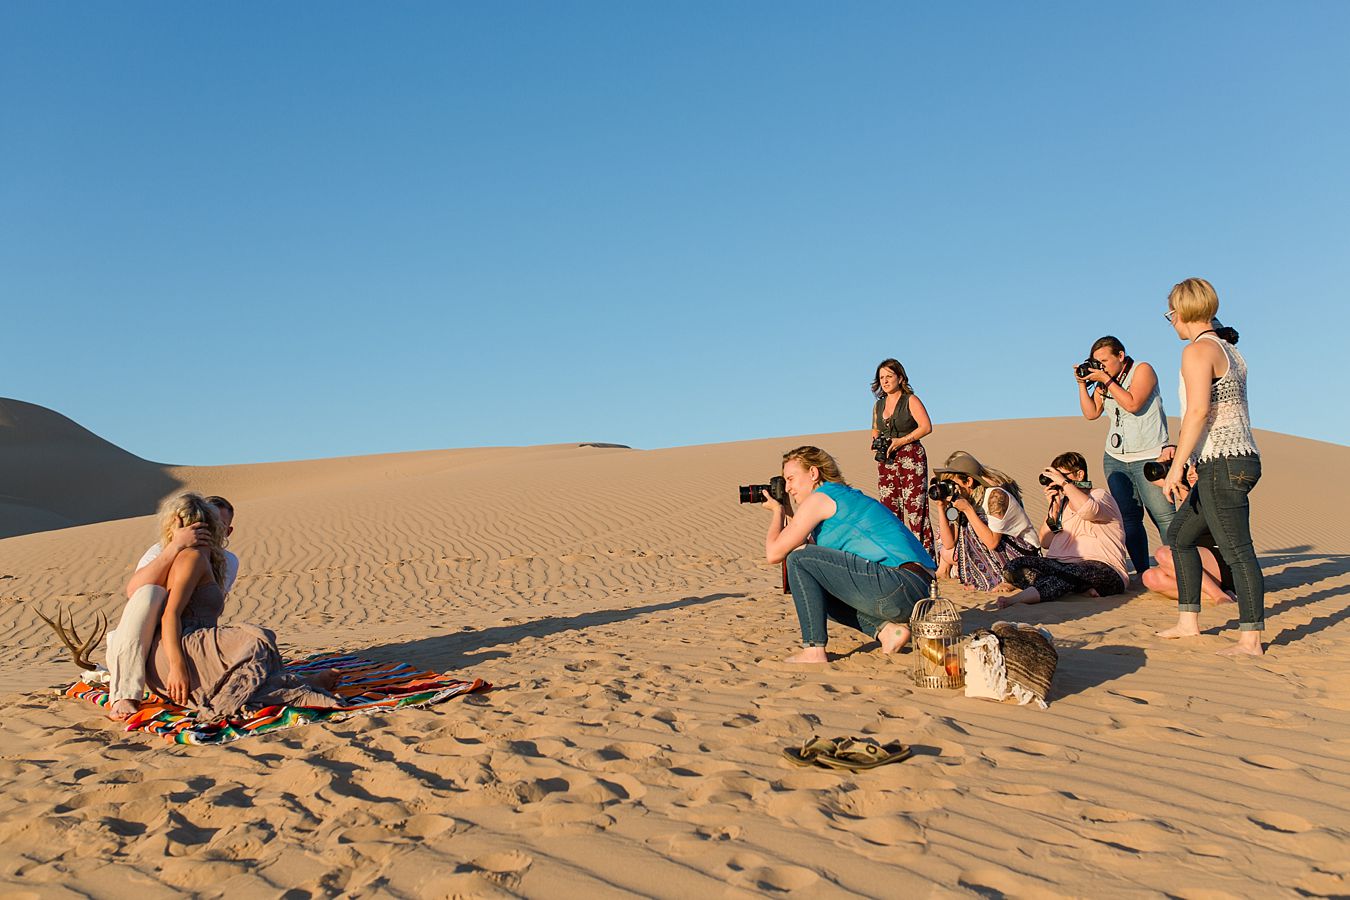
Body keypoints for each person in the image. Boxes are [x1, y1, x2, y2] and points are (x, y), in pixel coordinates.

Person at [1156, 278, 1265, 656]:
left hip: (1224, 463)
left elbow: (1199, 412)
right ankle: (1188, 620)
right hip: (1228, 461)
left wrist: (1176, 466)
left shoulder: (1198, 350)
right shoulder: (1229, 349)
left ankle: (1250, 639)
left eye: (1170, 313)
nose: (1170, 320)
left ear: (1183, 312)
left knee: (1237, 550)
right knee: (1181, 537)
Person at [762, 446, 936, 664]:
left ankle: (814, 651)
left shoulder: (821, 497)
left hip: (900, 584)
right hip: (921, 593)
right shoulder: (842, 497)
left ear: (813, 473)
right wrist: (787, 510)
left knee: (797, 559)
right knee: (815, 588)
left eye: (791, 479)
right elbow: (808, 563)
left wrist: (777, 512)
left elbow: (775, 553)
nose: (788, 488)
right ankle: (888, 632)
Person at [106, 494, 240, 719]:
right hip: (143, 640)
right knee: (151, 592)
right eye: (203, 524)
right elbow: (134, 593)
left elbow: (205, 609)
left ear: (227, 531)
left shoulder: (228, 560)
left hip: (186, 635)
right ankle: (124, 695)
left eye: (218, 526)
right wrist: (176, 547)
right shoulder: (159, 550)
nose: (210, 531)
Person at [1076, 336, 1175, 577]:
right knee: (1129, 518)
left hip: (1151, 456)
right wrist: (1082, 384)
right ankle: (1144, 572)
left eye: (1104, 360)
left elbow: (1133, 404)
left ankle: (1181, 569)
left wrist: (1106, 380)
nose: (1101, 366)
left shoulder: (1142, 370)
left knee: (1163, 515)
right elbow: (1091, 414)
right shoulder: (1104, 382)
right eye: (1095, 362)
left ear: (1120, 356)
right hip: (1116, 458)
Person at [996, 451, 1130, 608]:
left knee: (1071, 573)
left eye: (1061, 476)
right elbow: (1045, 542)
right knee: (1013, 566)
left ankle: (1018, 599)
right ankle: (1071, 588)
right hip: (1062, 565)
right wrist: (1054, 509)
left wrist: (1065, 484)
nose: (1056, 481)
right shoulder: (1063, 504)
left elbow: (1089, 511)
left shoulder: (1099, 496)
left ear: (1079, 475)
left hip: (1105, 568)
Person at [930, 451, 1041, 592]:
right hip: (1001, 556)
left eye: (953, 483)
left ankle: (1001, 579)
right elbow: (949, 543)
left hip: (1023, 556)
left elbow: (992, 542)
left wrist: (968, 511)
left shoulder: (995, 496)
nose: (950, 488)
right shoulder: (964, 499)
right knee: (967, 525)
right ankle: (982, 579)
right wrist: (941, 507)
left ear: (968, 481)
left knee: (974, 522)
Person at [1141, 466, 1236, 604]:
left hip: (1222, 560)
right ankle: (1216, 593)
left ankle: (1218, 596)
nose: (1191, 473)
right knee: (1150, 577)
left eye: (1197, 468)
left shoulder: (1216, 493)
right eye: (1188, 469)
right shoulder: (1190, 493)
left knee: (1164, 553)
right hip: (1197, 561)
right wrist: (1167, 462)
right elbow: (1154, 478)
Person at [871, 359, 935, 556]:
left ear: (900, 378)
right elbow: (875, 429)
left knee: (916, 510)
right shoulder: (878, 406)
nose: (885, 381)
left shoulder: (910, 400)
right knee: (890, 510)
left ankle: (924, 558)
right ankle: (898, 556)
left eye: (889, 376)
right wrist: (876, 444)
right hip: (888, 461)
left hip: (911, 457)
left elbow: (926, 427)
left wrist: (902, 441)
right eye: (881, 377)